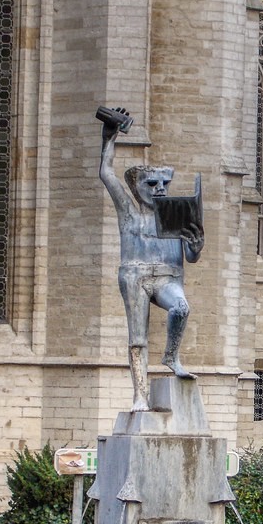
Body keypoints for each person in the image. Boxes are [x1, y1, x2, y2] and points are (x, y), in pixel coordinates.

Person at [98, 107, 204, 412]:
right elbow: (106, 173)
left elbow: (191, 256)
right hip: (135, 275)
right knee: (138, 339)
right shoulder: (129, 212)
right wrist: (109, 137)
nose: (160, 190)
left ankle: (171, 356)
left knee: (181, 308)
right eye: (152, 184)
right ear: (136, 186)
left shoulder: (175, 215)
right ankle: (139, 396)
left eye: (164, 185)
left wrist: (196, 246)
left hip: (168, 276)